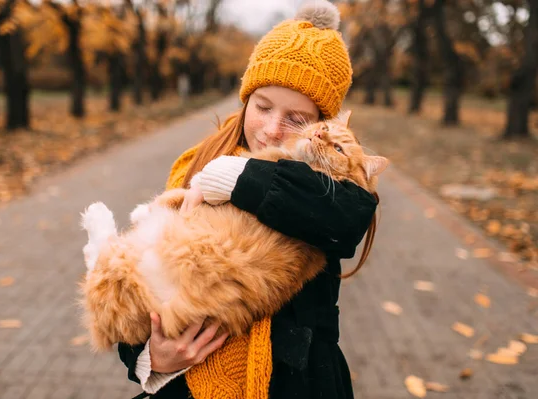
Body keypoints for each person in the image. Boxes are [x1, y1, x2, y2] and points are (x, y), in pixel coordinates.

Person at [118, 1, 378, 398]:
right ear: (246, 100)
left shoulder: (332, 182)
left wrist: (235, 178)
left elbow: (345, 221)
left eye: (296, 118)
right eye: (263, 107)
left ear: (322, 126)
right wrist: (151, 357)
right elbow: (143, 281)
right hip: (190, 384)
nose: (273, 130)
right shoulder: (193, 164)